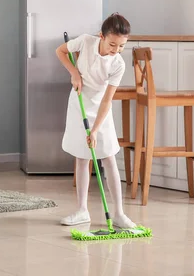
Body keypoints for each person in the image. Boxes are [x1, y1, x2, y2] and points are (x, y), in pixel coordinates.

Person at [55, 13, 137, 228]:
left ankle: (119, 213)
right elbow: (61, 51)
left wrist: (95, 130)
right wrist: (74, 73)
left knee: (108, 156)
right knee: (82, 157)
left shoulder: (118, 64)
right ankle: (82, 210)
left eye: (121, 46)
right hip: (80, 101)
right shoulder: (85, 41)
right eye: (112, 44)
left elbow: (107, 101)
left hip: (101, 108)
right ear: (101, 36)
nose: (115, 50)